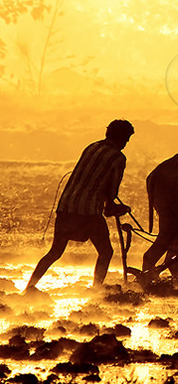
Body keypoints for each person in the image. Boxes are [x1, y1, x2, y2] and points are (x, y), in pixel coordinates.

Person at [25, 120, 134, 291]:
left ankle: (29, 287)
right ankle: (96, 290)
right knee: (106, 252)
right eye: (126, 139)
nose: (126, 144)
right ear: (121, 138)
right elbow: (111, 194)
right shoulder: (118, 158)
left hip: (65, 207)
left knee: (55, 252)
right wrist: (118, 208)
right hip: (88, 212)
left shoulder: (91, 147)